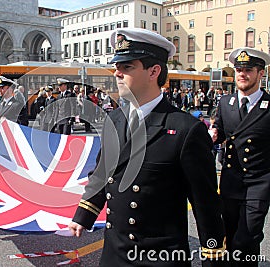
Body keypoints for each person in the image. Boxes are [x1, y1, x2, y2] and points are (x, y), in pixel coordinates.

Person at [68, 28, 225, 266]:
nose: (117, 73)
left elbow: (205, 206)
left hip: (158, 257)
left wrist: (213, 258)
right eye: (117, 67)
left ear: (154, 71)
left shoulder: (185, 129)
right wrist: (84, 215)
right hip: (114, 253)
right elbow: (103, 174)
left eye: (127, 67)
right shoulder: (115, 119)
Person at [211, 47, 270, 267]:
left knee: (247, 237)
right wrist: (214, 135)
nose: (242, 74)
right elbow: (221, 132)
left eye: (248, 70)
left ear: (260, 73)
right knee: (231, 233)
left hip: (258, 184)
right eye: (238, 69)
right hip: (230, 182)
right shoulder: (226, 103)